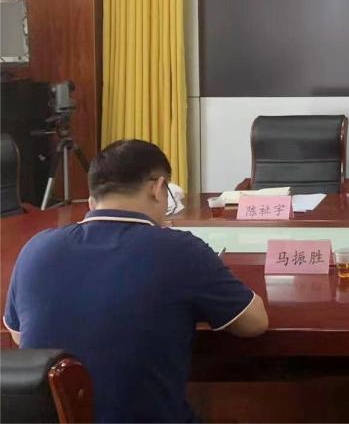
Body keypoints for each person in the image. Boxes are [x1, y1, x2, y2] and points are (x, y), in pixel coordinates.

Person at [3, 140, 268, 423]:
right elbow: (254, 323)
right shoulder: (180, 250)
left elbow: (20, 337)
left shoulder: (37, 248)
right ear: (158, 187)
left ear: (93, 199)